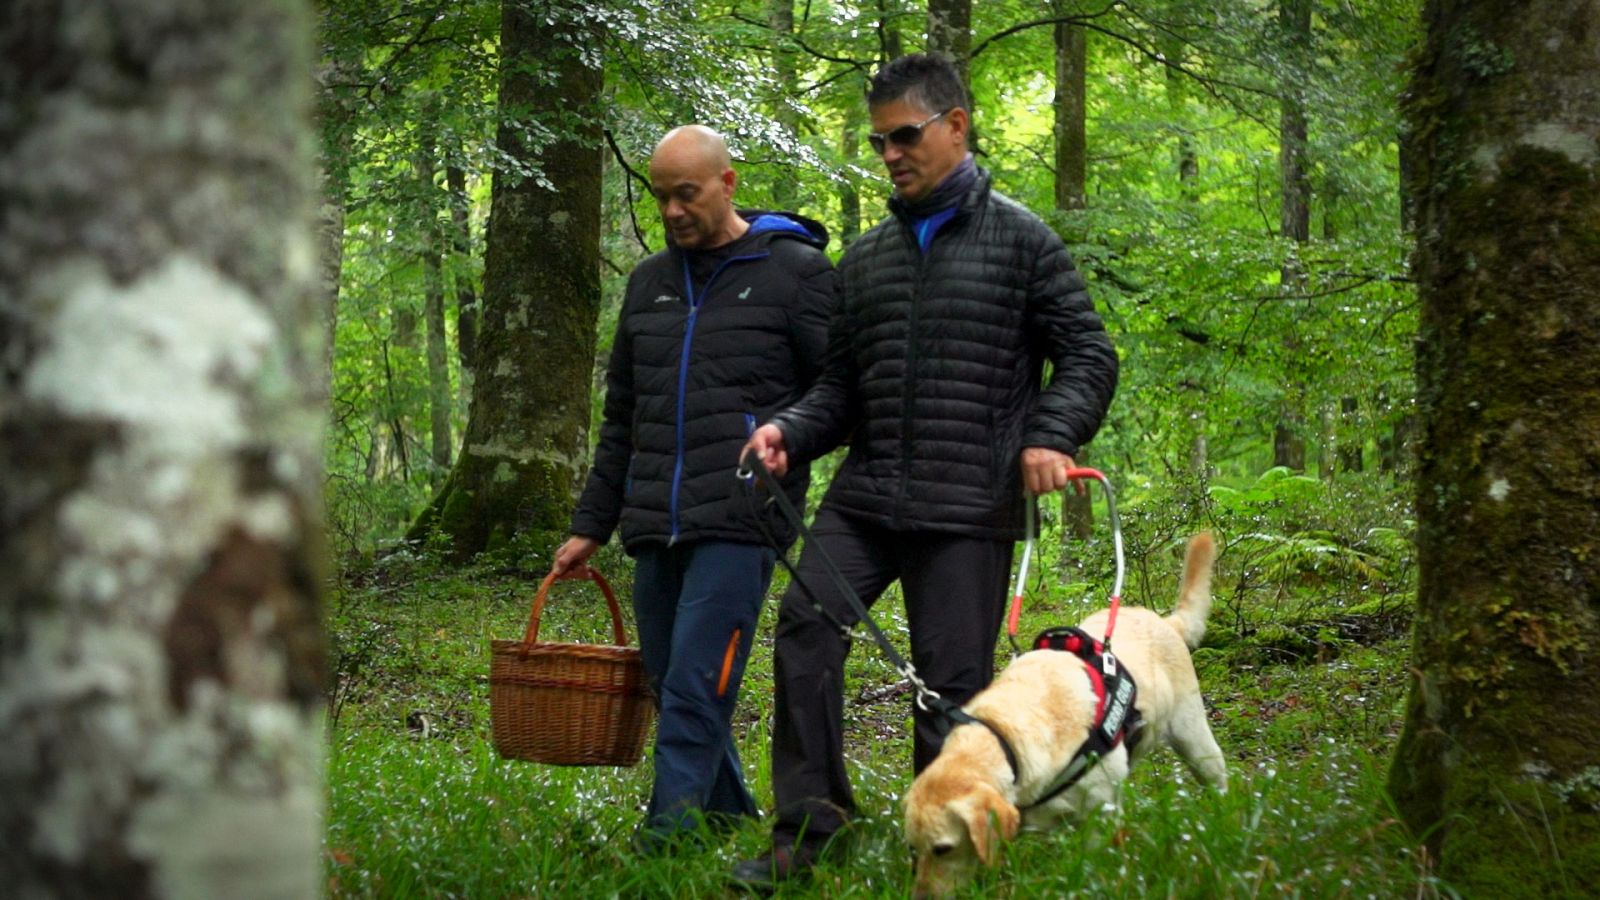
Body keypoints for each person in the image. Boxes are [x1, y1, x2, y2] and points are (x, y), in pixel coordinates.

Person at [731, 54, 1119, 887]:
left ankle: (945, 835)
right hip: (867, 499)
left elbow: (1087, 354)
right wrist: (789, 432)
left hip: (969, 504)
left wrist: (1052, 434)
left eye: (904, 135)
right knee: (804, 625)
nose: (890, 154)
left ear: (956, 126)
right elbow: (840, 385)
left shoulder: (1022, 239)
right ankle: (809, 826)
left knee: (948, 692)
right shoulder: (867, 258)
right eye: (878, 142)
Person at [551, 124, 835, 852]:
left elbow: (838, 392)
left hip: (742, 518)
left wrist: (787, 439)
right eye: (661, 196)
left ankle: (668, 836)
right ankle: (726, 810)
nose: (673, 211)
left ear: (726, 183)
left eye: (688, 193)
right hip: (654, 519)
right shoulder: (648, 285)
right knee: (670, 674)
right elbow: (622, 418)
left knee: (697, 681)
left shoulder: (794, 273)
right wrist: (591, 522)